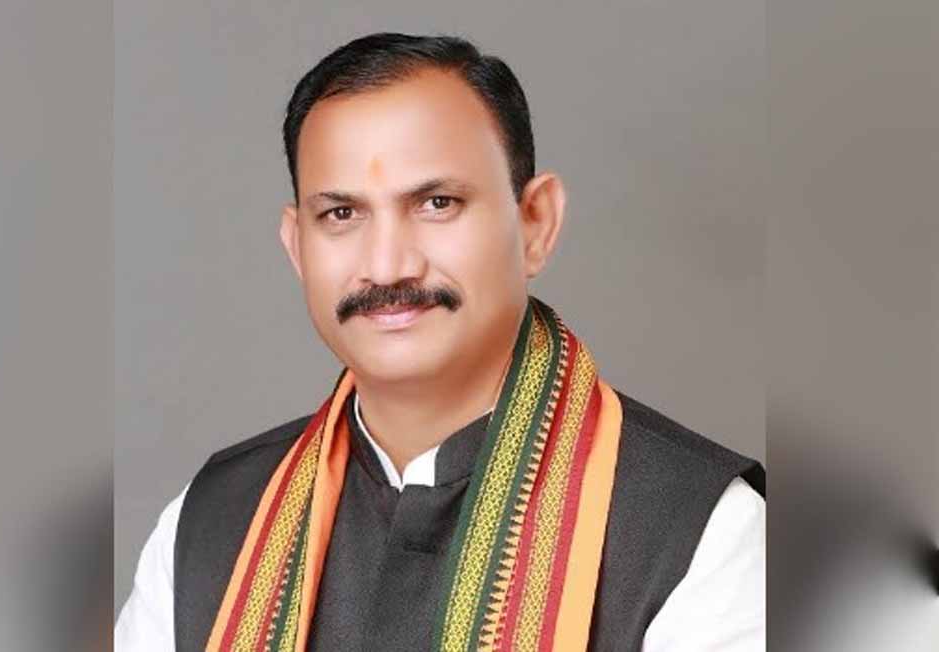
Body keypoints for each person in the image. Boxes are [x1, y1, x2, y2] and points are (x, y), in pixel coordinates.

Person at [115, 32, 765, 651]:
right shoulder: (209, 523)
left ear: (535, 223)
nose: (388, 265)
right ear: (296, 247)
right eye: (341, 214)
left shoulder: (700, 532)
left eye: (437, 204)